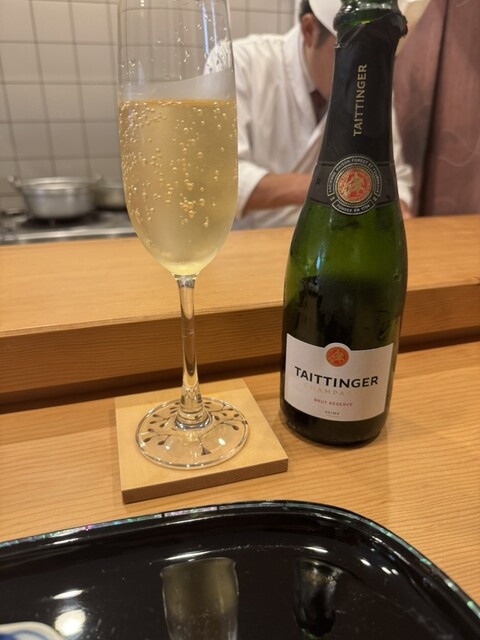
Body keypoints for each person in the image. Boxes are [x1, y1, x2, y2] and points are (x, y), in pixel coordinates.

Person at [232, 0, 414, 229]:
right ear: (309, 30)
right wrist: (340, 187)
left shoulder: (371, 85)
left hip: (338, 235)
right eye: (354, 53)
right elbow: (222, 179)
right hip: (248, 240)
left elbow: (397, 177)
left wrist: (397, 210)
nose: (363, 69)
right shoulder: (242, 64)